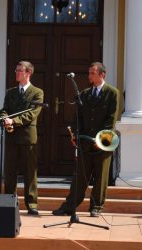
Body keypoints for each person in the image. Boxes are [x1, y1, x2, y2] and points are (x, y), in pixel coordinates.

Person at [52, 62, 120, 217]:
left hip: (103, 143)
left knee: (100, 177)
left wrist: (100, 140)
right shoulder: (84, 94)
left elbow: (110, 120)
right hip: (85, 143)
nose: (89, 76)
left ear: (102, 74)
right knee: (80, 177)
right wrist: (76, 135)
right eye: (89, 73)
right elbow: (78, 118)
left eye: (93, 73)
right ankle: (69, 206)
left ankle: (96, 207)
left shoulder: (112, 93)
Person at [0, 61, 44, 215]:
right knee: (10, 172)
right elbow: (4, 109)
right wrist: (3, 118)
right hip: (12, 138)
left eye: (20, 70)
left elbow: (32, 114)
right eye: (16, 70)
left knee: (30, 172)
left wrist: (14, 121)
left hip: (27, 138)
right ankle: (8, 202)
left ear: (28, 73)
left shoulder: (37, 92)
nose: (16, 73)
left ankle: (32, 204)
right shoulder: (11, 92)